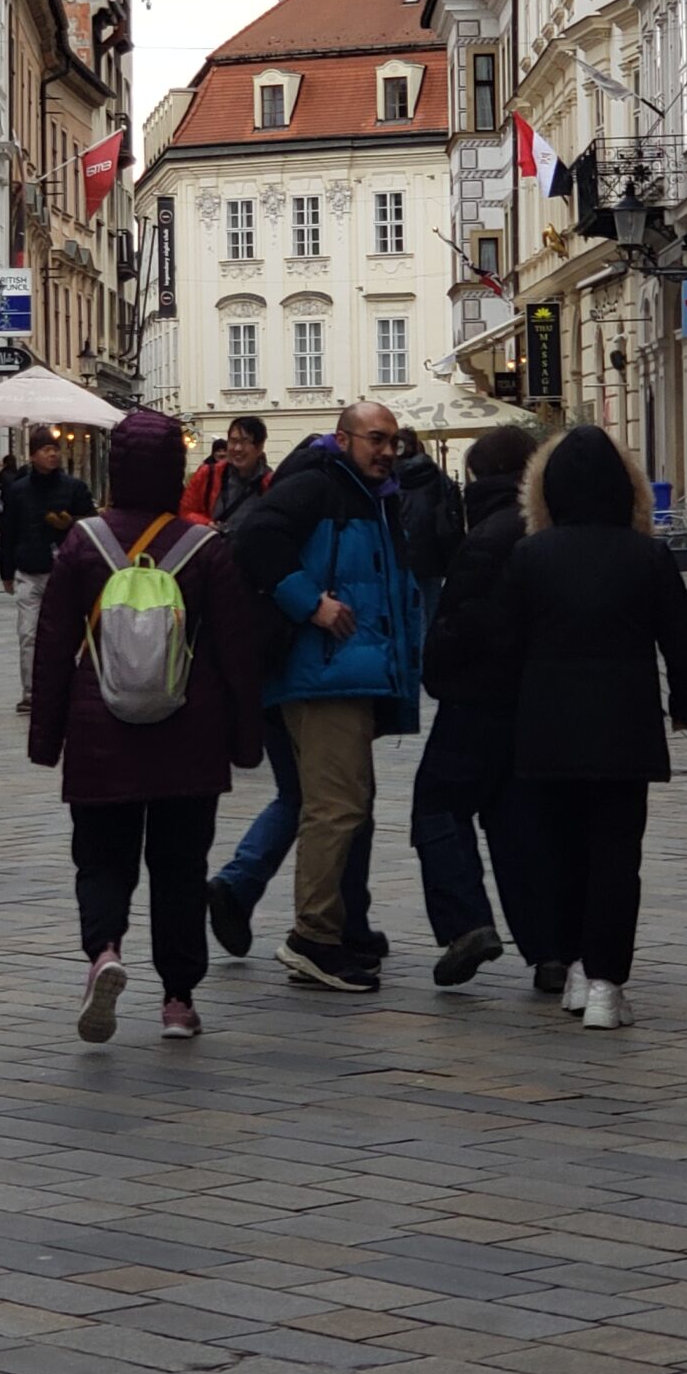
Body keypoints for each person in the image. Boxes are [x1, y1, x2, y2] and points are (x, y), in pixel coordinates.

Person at [28, 410, 263, 1042]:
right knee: (181, 866)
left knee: (101, 858)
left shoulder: (83, 543)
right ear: (173, 471)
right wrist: (245, 741)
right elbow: (238, 649)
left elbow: (52, 646)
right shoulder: (206, 548)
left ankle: (104, 950)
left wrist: (47, 739)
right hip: (190, 731)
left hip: (100, 730)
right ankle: (179, 999)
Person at [502, 425, 687, 1029]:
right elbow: (682, 637)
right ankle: (605, 984)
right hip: (624, 728)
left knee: (560, 853)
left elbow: (504, 644)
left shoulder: (529, 556)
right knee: (617, 856)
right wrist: (686, 701)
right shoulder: (646, 555)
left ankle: (569, 966)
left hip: (547, 729)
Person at [232, 402, 422, 993]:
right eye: (375, 438)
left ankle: (339, 929)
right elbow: (255, 540)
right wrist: (310, 603)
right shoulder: (318, 485)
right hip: (321, 674)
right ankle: (313, 938)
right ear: (343, 440)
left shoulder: (372, 494)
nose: (387, 449)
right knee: (334, 808)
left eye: (393, 440)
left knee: (343, 803)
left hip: (348, 671)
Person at [412, 425, 564, 991]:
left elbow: (458, 622)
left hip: (477, 700)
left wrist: (438, 675)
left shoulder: (489, 536)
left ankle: (466, 923)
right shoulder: (548, 529)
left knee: (437, 805)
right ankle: (548, 949)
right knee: (518, 824)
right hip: (534, 703)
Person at [0, 426, 96, 714]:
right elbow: (8, 532)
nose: (53, 454)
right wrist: (6, 571)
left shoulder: (74, 488)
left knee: (66, 632)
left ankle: (65, 686)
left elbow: (92, 525)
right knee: (28, 633)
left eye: (55, 448)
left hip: (65, 573)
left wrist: (71, 523)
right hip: (29, 570)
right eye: (46, 449)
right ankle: (31, 691)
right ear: (32, 455)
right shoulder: (18, 491)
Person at [394, 429, 464, 630]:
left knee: (404, 611)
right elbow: (454, 515)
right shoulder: (437, 476)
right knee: (431, 608)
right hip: (434, 552)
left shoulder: (387, 479)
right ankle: (429, 653)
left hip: (400, 554)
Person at [181, 416, 272, 526]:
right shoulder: (207, 475)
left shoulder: (271, 483)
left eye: (244, 442)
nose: (237, 448)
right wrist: (207, 524)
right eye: (233, 441)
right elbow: (185, 512)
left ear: (259, 447)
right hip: (213, 542)